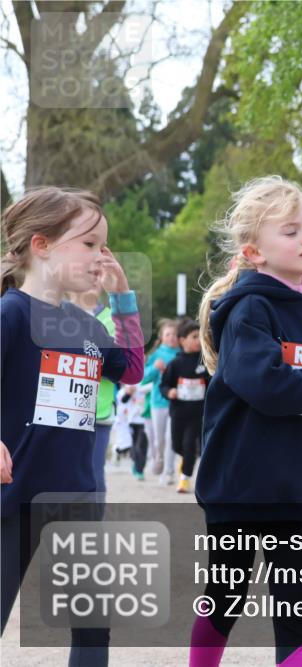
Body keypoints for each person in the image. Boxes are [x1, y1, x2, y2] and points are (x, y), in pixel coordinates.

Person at [188, 175, 302, 667]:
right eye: (290, 231)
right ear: (253, 253)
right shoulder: (250, 307)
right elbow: (268, 388)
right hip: (242, 488)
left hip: (297, 487)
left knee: (295, 608)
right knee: (225, 597)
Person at [0, 186, 145, 666]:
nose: (102, 256)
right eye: (89, 244)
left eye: (104, 245)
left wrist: (123, 297)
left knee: (92, 633)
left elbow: (130, 368)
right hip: (13, 497)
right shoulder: (11, 314)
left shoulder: (81, 325)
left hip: (76, 495)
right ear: (41, 245)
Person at [66, 287, 118, 491]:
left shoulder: (111, 319)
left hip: (98, 412)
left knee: (94, 474)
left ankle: (94, 522)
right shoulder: (55, 314)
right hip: (62, 410)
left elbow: (118, 363)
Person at [159, 318, 210, 493]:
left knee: (189, 445)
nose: (198, 340)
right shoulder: (175, 363)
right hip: (178, 413)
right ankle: (186, 460)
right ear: (182, 340)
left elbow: (212, 384)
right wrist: (169, 392)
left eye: (200, 337)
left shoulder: (205, 362)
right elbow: (163, 385)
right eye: (194, 337)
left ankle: (184, 478)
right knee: (177, 446)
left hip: (198, 414)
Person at [141, 319, 179, 485]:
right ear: (162, 337)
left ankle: (169, 472)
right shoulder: (156, 354)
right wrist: (154, 368)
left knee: (171, 437)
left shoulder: (182, 354)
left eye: (175, 335)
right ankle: (159, 459)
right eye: (168, 334)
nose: (171, 337)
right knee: (159, 439)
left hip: (176, 402)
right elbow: (143, 378)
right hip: (158, 402)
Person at [115, 383, 152, 480]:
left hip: (144, 419)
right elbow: (122, 400)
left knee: (142, 446)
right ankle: (136, 464)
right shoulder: (130, 382)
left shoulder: (148, 379)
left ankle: (140, 470)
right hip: (131, 420)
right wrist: (129, 393)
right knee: (133, 446)